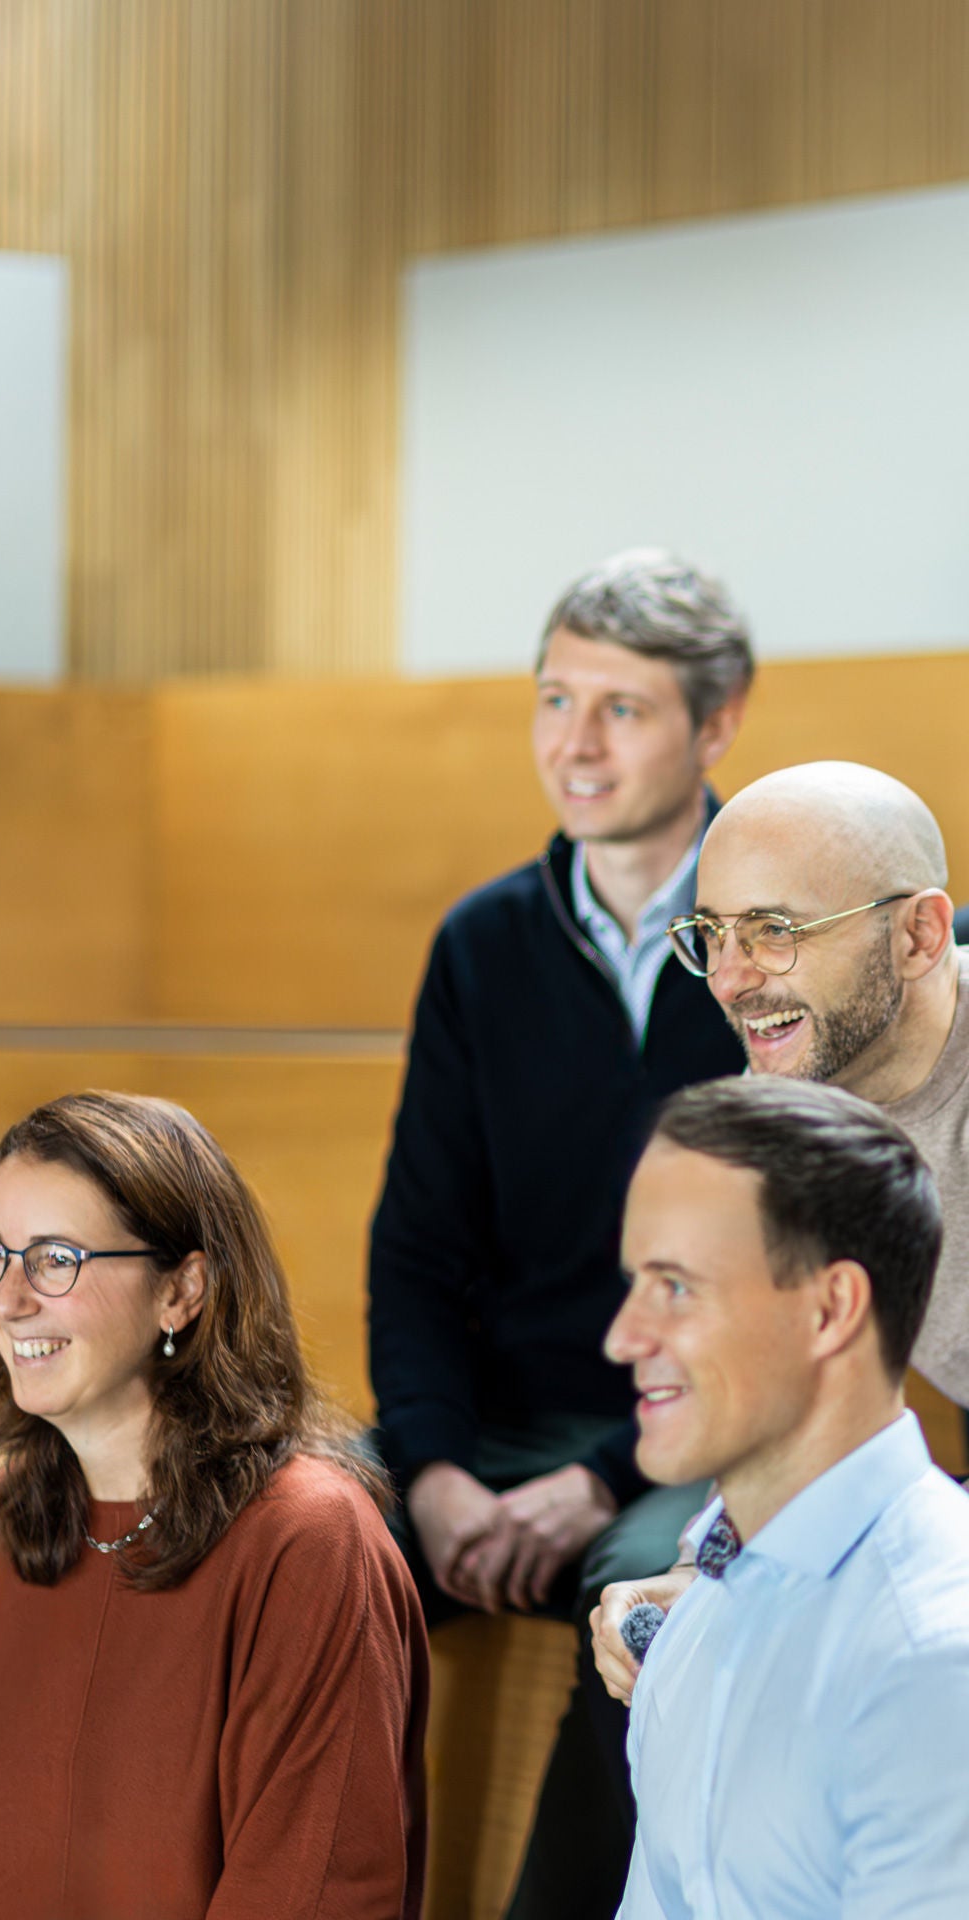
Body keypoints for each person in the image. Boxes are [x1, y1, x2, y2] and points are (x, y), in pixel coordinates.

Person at [368, 550, 753, 1914]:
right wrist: (427, 1474)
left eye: (622, 708)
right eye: (552, 698)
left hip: (700, 1439)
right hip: (491, 1430)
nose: (573, 746)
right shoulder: (482, 944)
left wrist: (598, 1477)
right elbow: (416, 1252)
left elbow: (790, 1280)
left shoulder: (777, 939)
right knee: (280, 1522)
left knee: (667, 1592)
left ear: (718, 726)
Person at [0, 1091, 428, 1920]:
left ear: (182, 1290)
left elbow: (309, 1900)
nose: (6, 1298)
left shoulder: (308, 1543)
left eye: (56, 1258)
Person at [593, 759, 969, 1724]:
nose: (728, 980)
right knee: (674, 1626)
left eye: (774, 931)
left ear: (921, 934)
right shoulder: (788, 1094)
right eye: (711, 934)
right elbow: (772, 1391)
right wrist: (705, 1565)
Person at [606, 1075, 969, 1919]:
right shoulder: (692, 1612)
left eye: (678, 1287)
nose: (624, 1337)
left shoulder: (934, 1662)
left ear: (830, 1308)